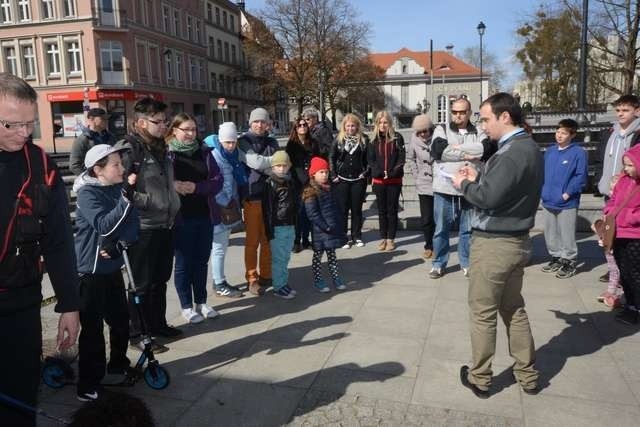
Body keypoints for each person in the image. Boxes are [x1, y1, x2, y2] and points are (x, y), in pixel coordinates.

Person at [0, 72, 80, 426]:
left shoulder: (41, 166)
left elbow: (60, 240)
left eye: (29, 124)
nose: (23, 133)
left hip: (21, 304)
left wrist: (70, 305)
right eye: (12, 124)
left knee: (19, 401)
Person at [452, 92, 541, 398]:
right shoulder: (527, 147)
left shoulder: (512, 152)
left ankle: (480, 378)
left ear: (505, 117)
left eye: (486, 118)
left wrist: (464, 184)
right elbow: (506, 189)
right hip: (516, 241)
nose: (483, 125)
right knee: (514, 309)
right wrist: (480, 175)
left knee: (483, 312)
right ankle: (528, 376)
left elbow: (487, 198)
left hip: (495, 244)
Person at [72, 144, 139, 402]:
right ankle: (88, 383)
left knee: (121, 321)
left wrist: (121, 243)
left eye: (121, 163)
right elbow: (103, 224)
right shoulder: (87, 193)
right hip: (90, 271)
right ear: (98, 170)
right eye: (116, 165)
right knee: (92, 330)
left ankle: (117, 367)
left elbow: (132, 222)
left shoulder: (115, 188)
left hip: (112, 268)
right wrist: (124, 201)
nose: (122, 168)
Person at [120, 97, 181, 352]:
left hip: (165, 223)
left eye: (166, 121)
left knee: (159, 279)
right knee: (141, 283)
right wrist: (146, 201)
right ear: (142, 122)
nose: (164, 125)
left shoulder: (160, 146)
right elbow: (118, 186)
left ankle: (157, 325)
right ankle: (138, 334)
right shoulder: (129, 148)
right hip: (142, 226)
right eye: (159, 121)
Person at [167, 113, 224, 324]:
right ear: (174, 130)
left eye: (193, 129)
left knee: (201, 262)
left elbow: (218, 181)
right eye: (186, 130)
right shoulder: (168, 154)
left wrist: (196, 187)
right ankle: (186, 306)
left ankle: (202, 302)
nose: (191, 134)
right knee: (183, 264)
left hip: (204, 215)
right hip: (181, 218)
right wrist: (174, 186)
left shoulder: (205, 152)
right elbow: (159, 181)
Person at [429, 98, 490, 279]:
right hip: (444, 188)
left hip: (470, 188)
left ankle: (466, 262)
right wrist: (470, 153)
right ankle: (438, 263)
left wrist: (456, 149)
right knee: (441, 229)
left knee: (468, 229)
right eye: (455, 112)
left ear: (469, 113)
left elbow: (486, 149)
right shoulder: (441, 129)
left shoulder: (479, 131)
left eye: (462, 112)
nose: (458, 115)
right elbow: (439, 150)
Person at [595, 95, 640, 284]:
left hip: (629, 192)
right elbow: (600, 158)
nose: (621, 114)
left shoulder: (638, 133)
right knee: (609, 233)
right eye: (618, 110)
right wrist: (601, 181)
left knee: (626, 238)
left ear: (636, 111)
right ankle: (614, 269)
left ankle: (625, 272)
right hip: (610, 191)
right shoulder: (610, 132)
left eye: (626, 110)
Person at [238, 107, 279, 295]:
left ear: (268, 124)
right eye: (256, 121)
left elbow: (280, 167)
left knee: (268, 239)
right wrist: (270, 164)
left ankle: (266, 274)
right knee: (252, 240)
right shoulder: (243, 142)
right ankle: (252, 278)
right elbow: (254, 162)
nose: (260, 125)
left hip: (270, 195)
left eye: (263, 121)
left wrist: (267, 164)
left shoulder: (272, 141)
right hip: (252, 196)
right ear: (250, 122)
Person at [540, 119, 588, 279]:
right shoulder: (550, 151)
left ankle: (569, 260)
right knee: (550, 232)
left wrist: (567, 193)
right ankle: (556, 257)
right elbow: (542, 173)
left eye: (564, 133)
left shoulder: (578, 153)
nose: (559, 135)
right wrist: (542, 191)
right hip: (548, 199)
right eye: (558, 132)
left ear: (572, 135)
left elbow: (581, 177)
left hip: (567, 202)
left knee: (566, 233)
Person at [208, 122, 246, 299]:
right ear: (221, 140)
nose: (231, 145)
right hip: (219, 210)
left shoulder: (233, 156)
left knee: (221, 247)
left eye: (233, 141)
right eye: (227, 142)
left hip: (228, 208)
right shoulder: (215, 156)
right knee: (218, 248)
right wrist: (227, 202)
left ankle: (219, 281)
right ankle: (219, 283)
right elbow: (215, 185)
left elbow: (233, 184)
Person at [605, 144, 640, 325]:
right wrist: (609, 211)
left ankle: (637, 307)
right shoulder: (623, 180)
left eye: (630, 165)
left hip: (635, 236)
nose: (626, 169)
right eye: (625, 164)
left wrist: (629, 216)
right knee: (624, 272)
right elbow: (613, 200)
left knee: (635, 273)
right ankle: (630, 305)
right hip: (619, 233)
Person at [303, 156, 348, 292]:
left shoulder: (330, 188)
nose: (325, 175)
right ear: (313, 174)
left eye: (326, 172)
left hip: (331, 229)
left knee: (332, 255)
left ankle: (336, 278)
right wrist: (325, 226)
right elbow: (312, 214)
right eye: (321, 172)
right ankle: (318, 280)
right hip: (320, 231)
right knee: (318, 256)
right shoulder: (310, 191)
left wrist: (338, 224)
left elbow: (335, 208)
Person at [262, 150, 299, 299]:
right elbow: (268, 209)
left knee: (285, 257)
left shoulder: (290, 181)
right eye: (278, 166)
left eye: (284, 165)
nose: (282, 168)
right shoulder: (270, 184)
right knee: (279, 258)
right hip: (277, 227)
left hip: (290, 224)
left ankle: (283, 282)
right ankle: (278, 286)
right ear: (273, 167)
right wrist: (269, 230)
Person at [330, 113, 370, 249]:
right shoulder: (338, 140)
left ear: (357, 126)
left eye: (353, 125)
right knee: (342, 210)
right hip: (341, 180)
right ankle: (343, 237)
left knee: (357, 209)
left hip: (358, 179)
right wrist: (333, 174)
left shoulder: (364, 140)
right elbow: (332, 158)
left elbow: (368, 160)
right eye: (348, 126)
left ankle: (356, 236)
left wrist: (365, 173)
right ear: (344, 127)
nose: (350, 128)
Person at [367, 110, 405, 251]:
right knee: (382, 211)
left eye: (385, 122)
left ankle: (391, 239)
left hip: (394, 181)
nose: (383, 125)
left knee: (392, 210)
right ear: (377, 124)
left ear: (390, 123)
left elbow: (401, 158)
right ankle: (383, 237)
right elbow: (371, 160)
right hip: (379, 182)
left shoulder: (397, 138)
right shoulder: (373, 140)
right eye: (380, 122)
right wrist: (377, 172)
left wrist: (392, 172)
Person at [286, 117, 321, 252]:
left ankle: (306, 240)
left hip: (310, 181)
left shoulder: (313, 143)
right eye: (299, 125)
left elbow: (317, 160)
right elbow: (289, 164)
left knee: (309, 212)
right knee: (298, 213)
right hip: (296, 182)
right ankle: (297, 240)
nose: (302, 127)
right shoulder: (291, 144)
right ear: (295, 128)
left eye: (304, 125)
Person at [406, 114, 436, 259]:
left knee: (439, 218)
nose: (423, 134)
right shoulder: (414, 139)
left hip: (439, 182)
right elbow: (410, 158)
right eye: (420, 132)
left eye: (426, 130)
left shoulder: (438, 136)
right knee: (426, 218)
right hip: (423, 182)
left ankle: (438, 245)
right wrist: (416, 175)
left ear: (430, 129)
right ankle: (428, 245)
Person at [69, 108, 117, 175]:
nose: (106, 121)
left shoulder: (111, 137)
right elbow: (74, 165)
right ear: (92, 119)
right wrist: (90, 178)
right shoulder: (82, 140)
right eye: (102, 118)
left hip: (110, 179)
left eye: (107, 119)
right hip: (93, 181)